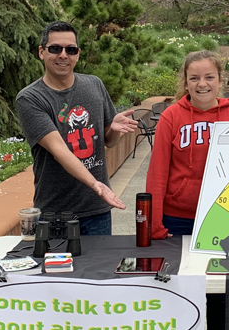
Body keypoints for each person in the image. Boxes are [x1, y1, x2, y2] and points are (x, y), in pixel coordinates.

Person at [146, 50, 229, 330]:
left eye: (209, 77)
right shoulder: (172, 117)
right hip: (176, 218)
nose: (202, 84)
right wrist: (154, 222)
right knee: (176, 290)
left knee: (217, 294)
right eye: (194, 78)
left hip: (219, 222)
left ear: (220, 80)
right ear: (184, 81)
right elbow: (158, 172)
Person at [16, 21, 139, 236]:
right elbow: (60, 150)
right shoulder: (31, 98)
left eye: (70, 50)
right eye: (55, 48)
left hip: (97, 210)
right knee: (57, 270)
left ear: (78, 54)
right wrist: (96, 184)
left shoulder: (94, 85)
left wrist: (115, 129)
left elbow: (109, 142)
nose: (63, 55)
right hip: (55, 213)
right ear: (41, 52)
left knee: (98, 268)